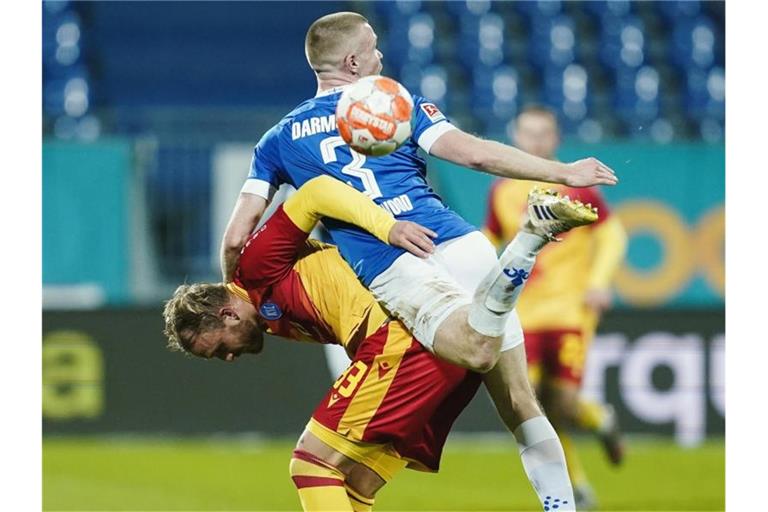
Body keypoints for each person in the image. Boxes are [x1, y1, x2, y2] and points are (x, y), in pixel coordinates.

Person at [219, 11, 617, 510]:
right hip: (457, 241)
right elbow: (472, 155)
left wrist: (237, 283)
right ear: (352, 61)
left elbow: (237, 235)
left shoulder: (276, 140)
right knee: (519, 401)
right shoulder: (395, 101)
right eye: (373, 47)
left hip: (394, 264)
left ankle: (528, 240)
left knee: (473, 353)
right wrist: (562, 171)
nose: (381, 55)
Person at [166, 176, 591, 511]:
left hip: (402, 340)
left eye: (219, 346)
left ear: (226, 313)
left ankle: (528, 239)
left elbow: (315, 191)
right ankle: (527, 242)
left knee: (310, 465)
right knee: (356, 483)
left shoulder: (255, 269)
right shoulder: (267, 312)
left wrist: (386, 227)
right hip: (432, 350)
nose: (227, 357)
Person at [484, 105, 629, 510]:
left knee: (562, 403)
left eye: (543, 133)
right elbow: (489, 237)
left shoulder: (577, 186)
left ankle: (600, 419)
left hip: (569, 312)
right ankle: (576, 488)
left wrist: (598, 283)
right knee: (533, 407)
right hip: (523, 315)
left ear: (556, 139)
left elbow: (613, 234)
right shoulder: (502, 190)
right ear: (515, 136)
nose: (535, 141)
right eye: (528, 133)